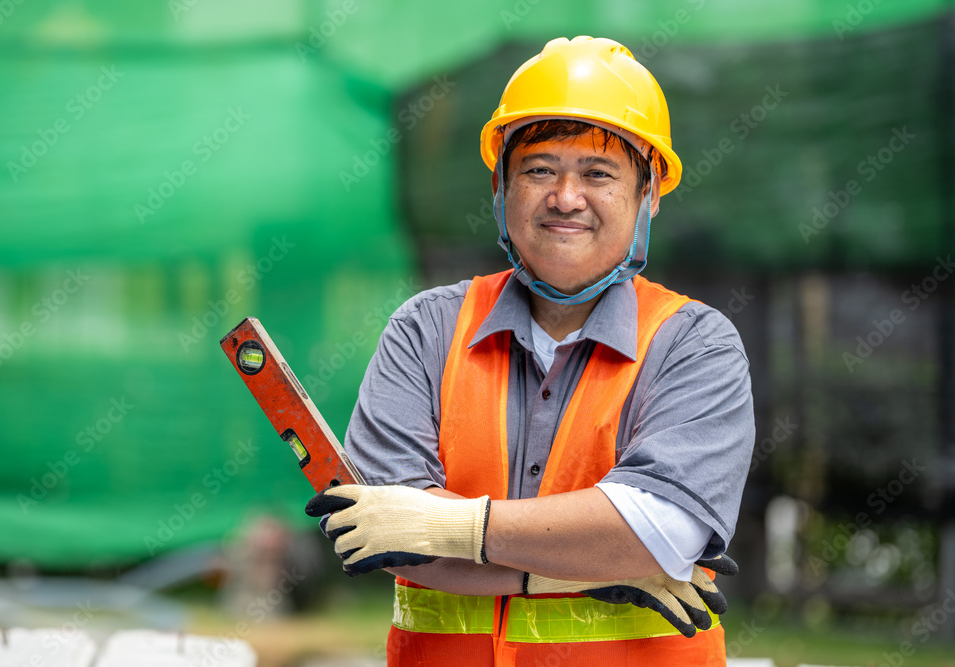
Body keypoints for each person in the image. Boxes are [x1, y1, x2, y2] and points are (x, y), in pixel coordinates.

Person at [306, 36, 754, 665]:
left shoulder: (695, 346)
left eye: (598, 174)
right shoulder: (425, 332)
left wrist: (451, 528)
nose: (566, 197)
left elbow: (660, 531)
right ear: (501, 185)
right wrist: (594, 567)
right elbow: (384, 534)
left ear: (650, 192)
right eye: (541, 169)